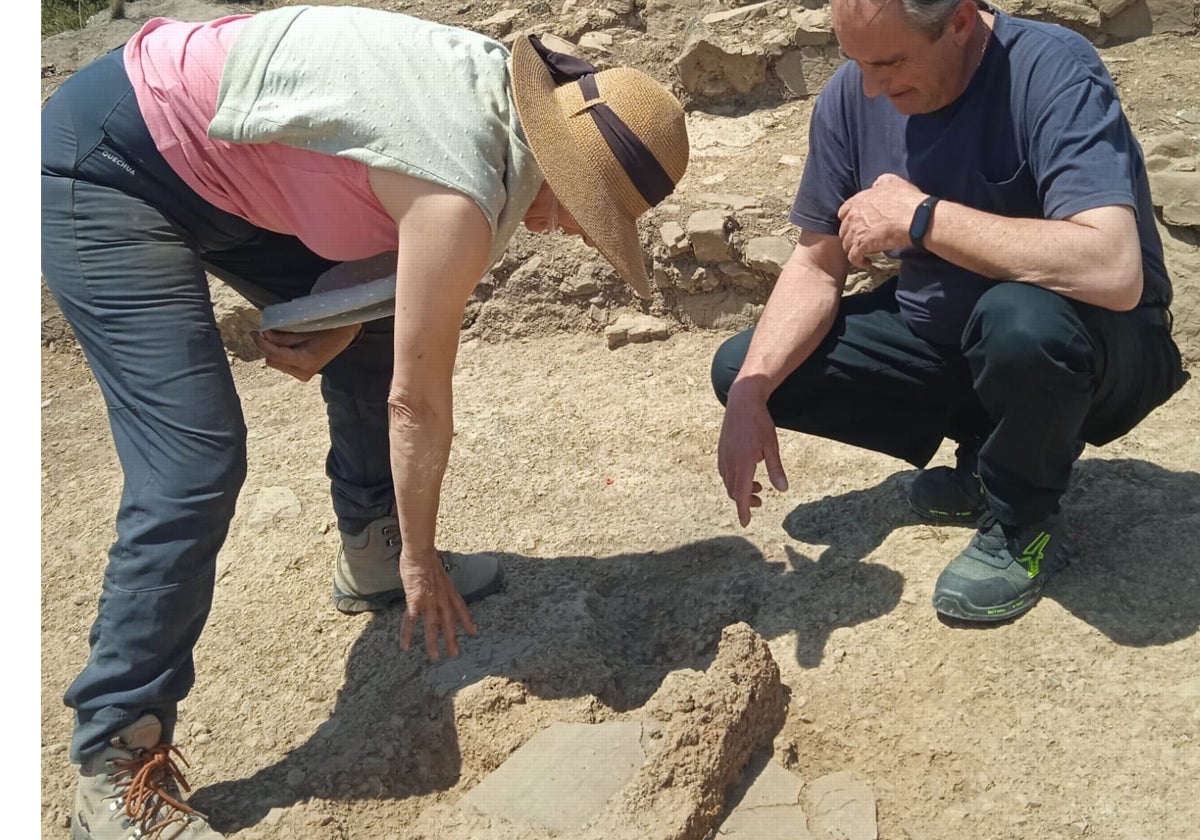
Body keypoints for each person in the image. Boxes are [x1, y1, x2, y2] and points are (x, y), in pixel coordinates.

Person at [41, 6, 688, 838]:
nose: (568, 229)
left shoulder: (519, 99)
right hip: (106, 162)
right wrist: (427, 559)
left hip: (214, 158)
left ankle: (368, 550)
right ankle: (113, 762)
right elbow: (418, 402)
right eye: (584, 207)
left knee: (382, 328)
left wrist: (331, 317)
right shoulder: (460, 181)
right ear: (557, 160)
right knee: (192, 463)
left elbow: (380, 241)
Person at [712, 0, 1187, 626]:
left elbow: (1113, 268)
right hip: (959, 337)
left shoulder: (1051, 70)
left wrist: (924, 218)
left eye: (889, 62)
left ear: (960, 21)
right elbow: (816, 266)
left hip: (1099, 342)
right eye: (855, 62)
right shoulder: (850, 95)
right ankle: (989, 462)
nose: (872, 87)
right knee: (747, 367)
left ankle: (1025, 519)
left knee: (1017, 323)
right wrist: (752, 394)